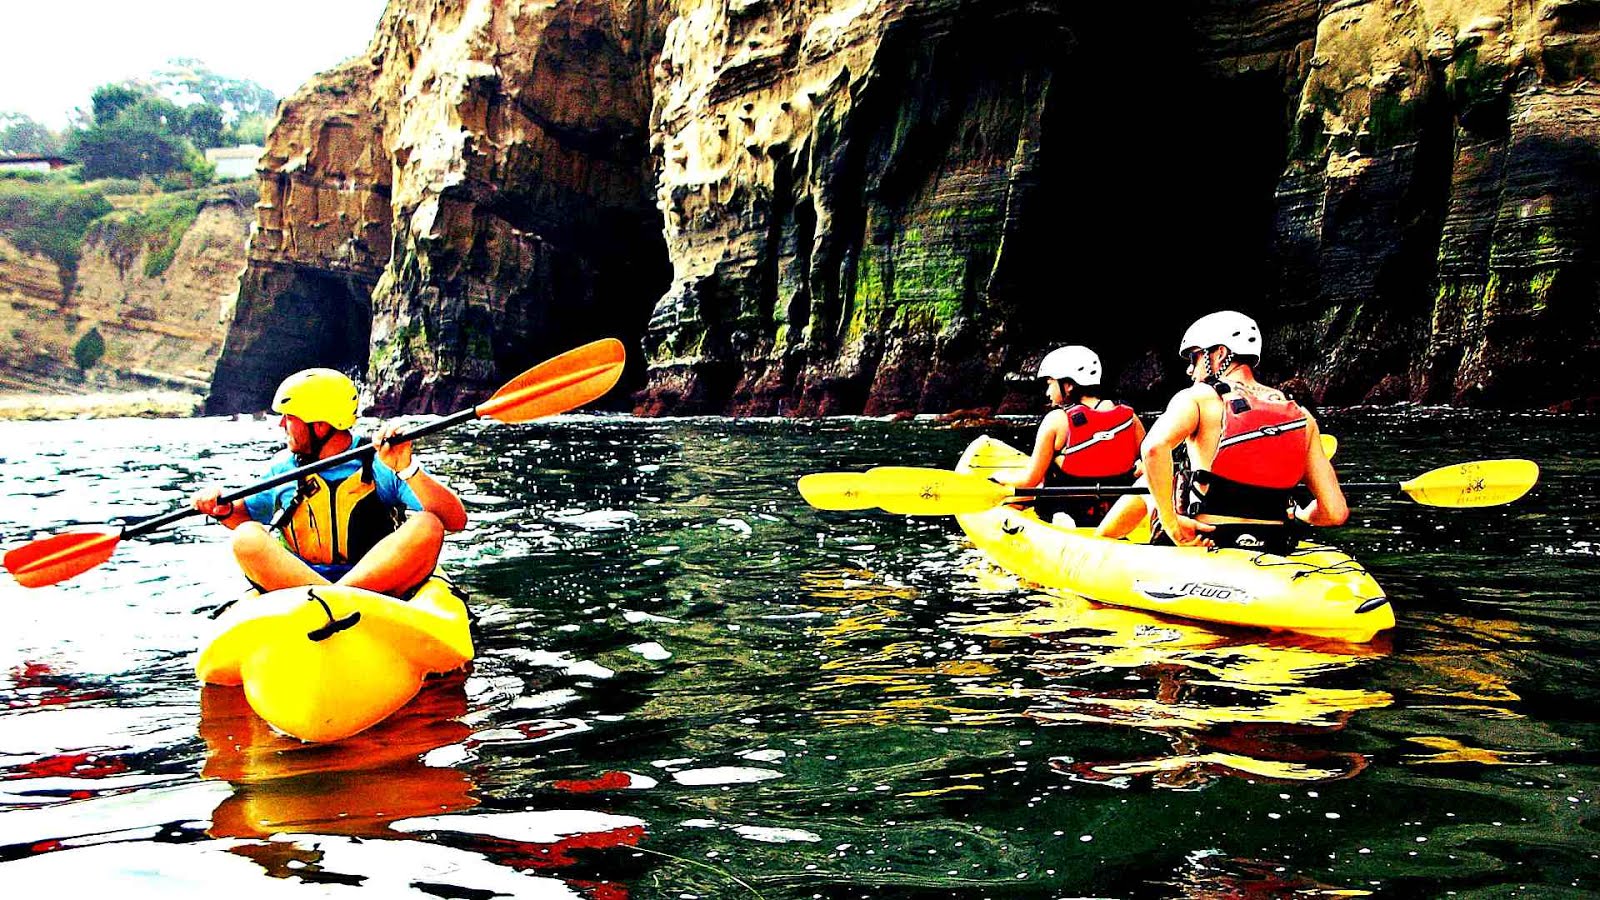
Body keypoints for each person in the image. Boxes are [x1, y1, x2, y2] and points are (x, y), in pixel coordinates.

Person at [192, 368, 469, 596]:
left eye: (289, 418)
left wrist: (408, 468)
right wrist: (222, 508)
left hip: (378, 585)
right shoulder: (283, 469)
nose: (281, 425)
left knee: (427, 525)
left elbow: (454, 520)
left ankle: (336, 599)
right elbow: (246, 515)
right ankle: (334, 599)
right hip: (301, 584)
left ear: (320, 425)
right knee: (246, 537)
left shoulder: (381, 463)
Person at [1105, 311, 1345, 554]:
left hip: (1207, 540)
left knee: (1149, 480)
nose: (1190, 370)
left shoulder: (1199, 398)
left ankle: (1100, 542)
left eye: (1195, 357)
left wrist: (1173, 525)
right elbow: (1335, 512)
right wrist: (1299, 514)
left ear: (1219, 353)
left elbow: (1154, 449)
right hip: (1274, 543)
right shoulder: (1301, 416)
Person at [999, 345, 1145, 527]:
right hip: (1115, 511)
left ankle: (1059, 516)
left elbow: (1030, 480)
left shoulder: (1056, 421)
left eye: (1050, 383)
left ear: (1068, 385)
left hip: (1065, 508)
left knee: (1017, 500)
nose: (1047, 392)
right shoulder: (1129, 417)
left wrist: (999, 478)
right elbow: (1151, 462)